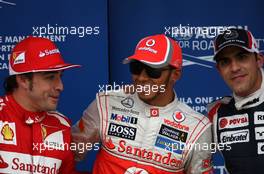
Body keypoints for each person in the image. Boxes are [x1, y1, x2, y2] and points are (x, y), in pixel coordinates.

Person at [72, 34, 213, 174]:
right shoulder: (106, 103)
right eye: (136, 68)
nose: (141, 78)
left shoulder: (197, 127)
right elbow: (66, 155)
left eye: (153, 71)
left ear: (175, 74)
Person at [0, 36, 83, 174]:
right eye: (50, 77)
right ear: (23, 80)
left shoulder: (62, 125)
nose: (60, 86)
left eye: (60, 77)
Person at [208, 28, 264, 173]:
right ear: (219, 70)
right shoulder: (216, 113)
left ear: (258, 60)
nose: (234, 68)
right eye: (225, 62)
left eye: (242, 57)